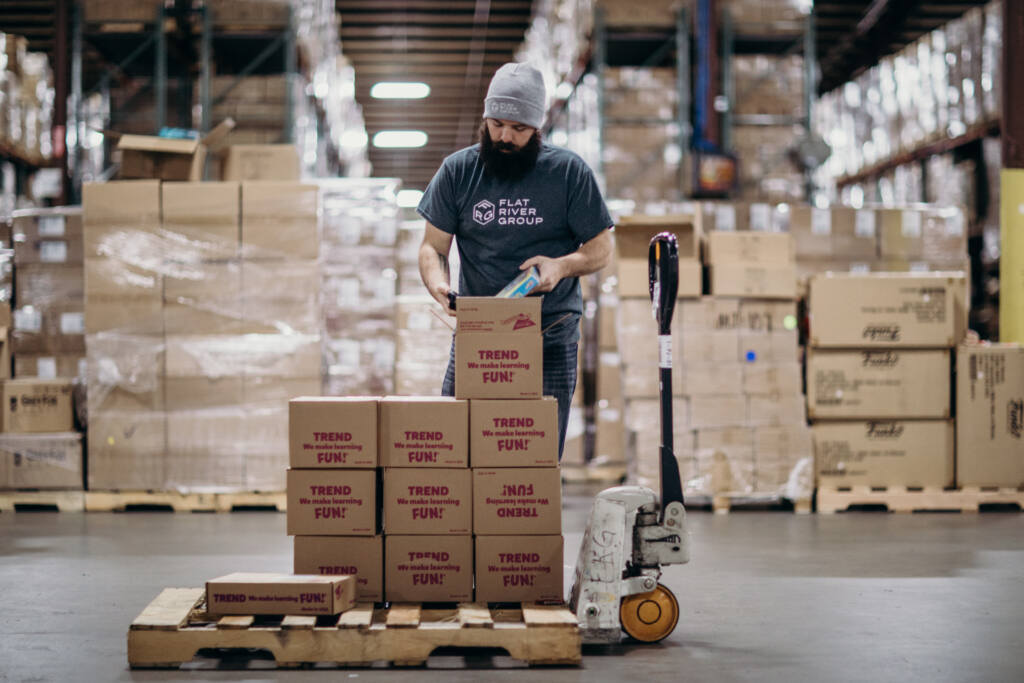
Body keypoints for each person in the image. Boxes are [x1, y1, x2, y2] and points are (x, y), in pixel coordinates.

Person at [417, 62, 614, 458]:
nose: (505, 136)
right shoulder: (458, 171)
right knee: (459, 447)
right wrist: (439, 286)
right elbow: (432, 247)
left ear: (537, 128)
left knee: (533, 455)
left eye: (519, 128)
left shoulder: (568, 173)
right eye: (497, 123)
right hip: (481, 331)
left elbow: (600, 248)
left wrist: (561, 266)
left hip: (551, 329)